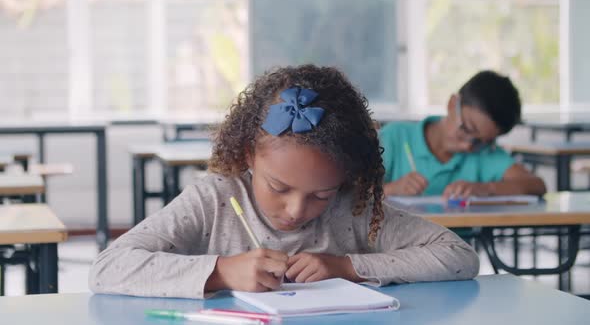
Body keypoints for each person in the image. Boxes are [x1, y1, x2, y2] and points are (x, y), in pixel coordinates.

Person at [89, 65, 479, 299]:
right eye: (278, 187)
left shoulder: (353, 209)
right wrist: (221, 271)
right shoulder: (214, 202)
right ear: (247, 155)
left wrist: (347, 266)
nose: (296, 210)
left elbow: (459, 258)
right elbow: (106, 269)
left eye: (321, 194)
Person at [380, 70, 546, 198]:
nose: (468, 145)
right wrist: (392, 189)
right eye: (467, 128)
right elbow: (355, 198)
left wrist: (484, 188)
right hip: (401, 241)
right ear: (453, 104)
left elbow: (536, 185)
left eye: (480, 142)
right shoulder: (394, 137)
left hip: (460, 242)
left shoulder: (484, 153)